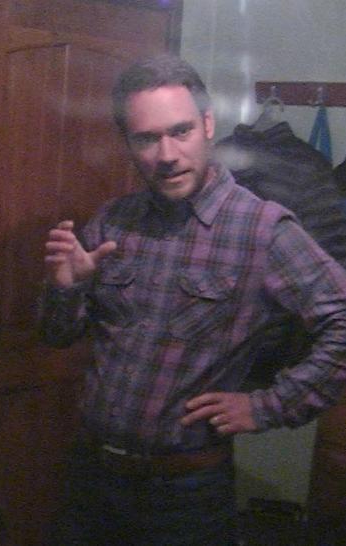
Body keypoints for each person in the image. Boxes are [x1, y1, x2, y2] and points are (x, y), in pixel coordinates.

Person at [40, 54, 346, 545]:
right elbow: (58, 336)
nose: (167, 154)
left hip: (186, 494)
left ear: (206, 125)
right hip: (91, 477)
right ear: (128, 143)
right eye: (147, 138)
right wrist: (66, 287)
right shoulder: (113, 222)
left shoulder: (262, 229)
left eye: (180, 131)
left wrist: (269, 406)